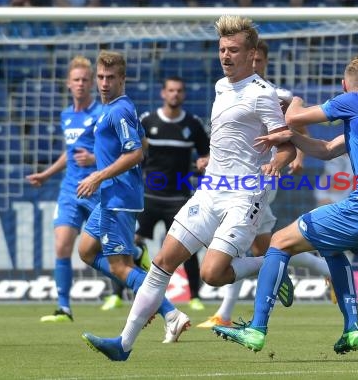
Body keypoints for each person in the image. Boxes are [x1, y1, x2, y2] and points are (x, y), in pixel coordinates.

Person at [81, 15, 297, 361]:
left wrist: (277, 161)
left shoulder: (264, 95)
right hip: (210, 191)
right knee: (163, 260)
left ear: (251, 52)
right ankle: (123, 344)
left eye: (233, 50)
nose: (225, 56)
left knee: (213, 274)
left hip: (244, 195)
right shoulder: (220, 86)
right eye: (222, 49)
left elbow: (288, 146)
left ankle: (269, 263)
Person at [213, 56, 358, 354]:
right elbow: (328, 150)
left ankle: (256, 329)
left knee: (279, 241)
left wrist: (293, 99)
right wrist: (292, 138)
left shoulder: (355, 101)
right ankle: (352, 329)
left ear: (344, 86)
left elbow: (295, 115)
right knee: (331, 248)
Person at [196, 38, 333, 329]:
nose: (254, 66)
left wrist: (297, 159)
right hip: (239, 180)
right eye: (252, 61)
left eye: (258, 62)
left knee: (233, 245)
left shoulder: (273, 94)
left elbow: (298, 126)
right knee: (264, 249)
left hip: (260, 180)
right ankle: (322, 266)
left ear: (263, 62)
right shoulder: (232, 89)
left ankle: (225, 312)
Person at [77, 50, 191, 345]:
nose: (104, 83)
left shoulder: (118, 110)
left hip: (119, 197)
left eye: (111, 78)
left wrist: (99, 174)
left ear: (123, 79)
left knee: (119, 267)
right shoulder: (119, 107)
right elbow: (143, 141)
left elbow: (136, 153)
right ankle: (145, 279)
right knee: (87, 250)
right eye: (101, 77)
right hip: (111, 195)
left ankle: (170, 312)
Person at [101, 76, 210, 312]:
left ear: (184, 95)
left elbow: (207, 154)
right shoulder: (147, 121)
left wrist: (204, 161)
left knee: (187, 247)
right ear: (163, 93)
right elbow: (129, 151)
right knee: (128, 243)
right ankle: (117, 295)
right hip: (148, 196)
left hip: (179, 198)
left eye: (179, 91)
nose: (175, 94)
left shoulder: (193, 124)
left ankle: (195, 297)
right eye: (171, 90)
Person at [26, 55, 102, 322]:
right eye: (76, 80)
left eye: (85, 80)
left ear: (92, 83)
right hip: (70, 188)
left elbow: (117, 152)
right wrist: (46, 175)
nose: (80, 84)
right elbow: (69, 154)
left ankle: (139, 271)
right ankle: (64, 308)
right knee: (61, 247)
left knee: (106, 249)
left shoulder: (101, 113)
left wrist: (94, 160)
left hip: (95, 188)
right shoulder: (66, 115)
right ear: (68, 84)